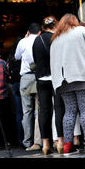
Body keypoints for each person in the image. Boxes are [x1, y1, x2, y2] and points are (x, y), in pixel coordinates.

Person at [50, 14, 85, 156]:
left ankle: (67, 145)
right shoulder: (81, 31)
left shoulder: (55, 38)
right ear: (75, 21)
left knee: (69, 111)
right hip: (83, 76)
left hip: (63, 80)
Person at [32, 16, 58, 155]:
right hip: (55, 78)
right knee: (58, 109)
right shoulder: (58, 38)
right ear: (55, 25)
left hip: (41, 78)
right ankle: (59, 141)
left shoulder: (37, 39)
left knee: (44, 111)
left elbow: (35, 59)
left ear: (43, 27)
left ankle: (46, 144)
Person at [15, 23, 42, 151]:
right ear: (39, 32)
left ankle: (27, 141)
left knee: (27, 111)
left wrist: (25, 39)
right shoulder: (40, 40)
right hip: (38, 76)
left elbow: (16, 57)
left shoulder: (22, 42)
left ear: (28, 31)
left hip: (26, 78)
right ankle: (39, 140)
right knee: (39, 109)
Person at [7, 37, 24, 147]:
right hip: (24, 82)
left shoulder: (11, 57)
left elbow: (8, 72)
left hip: (15, 84)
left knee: (18, 113)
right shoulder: (23, 54)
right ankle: (29, 138)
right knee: (29, 111)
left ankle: (20, 139)